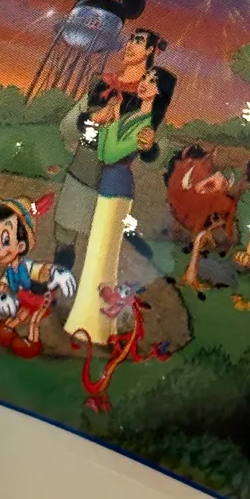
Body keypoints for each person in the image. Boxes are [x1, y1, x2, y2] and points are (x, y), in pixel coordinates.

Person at [64, 65, 176, 345]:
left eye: (153, 81)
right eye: (146, 77)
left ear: (160, 93)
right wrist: (110, 120)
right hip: (107, 186)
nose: (145, 82)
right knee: (96, 255)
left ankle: (94, 327)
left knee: (102, 257)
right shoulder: (132, 115)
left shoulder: (146, 126)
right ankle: (90, 323)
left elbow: (113, 154)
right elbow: (103, 152)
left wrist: (112, 122)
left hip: (118, 189)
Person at [52, 29, 166, 285]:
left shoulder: (150, 96)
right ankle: (58, 281)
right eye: (131, 39)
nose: (130, 45)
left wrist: (149, 146)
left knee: (104, 250)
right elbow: (68, 127)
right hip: (82, 171)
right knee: (66, 235)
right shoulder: (101, 84)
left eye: (139, 41)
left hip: (113, 184)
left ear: (150, 50)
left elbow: (157, 151)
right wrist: (93, 119)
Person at [0, 193, 76, 359]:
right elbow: (4, 282)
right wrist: (4, 295)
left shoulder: (26, 266)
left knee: (34, 321)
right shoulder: (10, 268)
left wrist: (57, 272)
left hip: (41, 298)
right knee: (21, 314)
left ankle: (32, 342)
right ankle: (7, 330)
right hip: (25, 296)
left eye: (5, 240)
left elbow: (41, 270)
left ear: (21, 245)